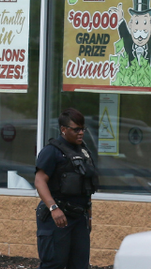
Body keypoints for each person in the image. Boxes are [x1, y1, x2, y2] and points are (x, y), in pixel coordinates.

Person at [34, 108, 99, 269]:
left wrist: (88, 216)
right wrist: (53, 208)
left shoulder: (83, 152)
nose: (81, 133)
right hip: (57, 218)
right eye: (76, 129)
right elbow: (39, 181)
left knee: (79, 265)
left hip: (79, 218)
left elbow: (86, 186)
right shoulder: (52, 151)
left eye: (83, 129)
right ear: (63, 129)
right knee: (54, 264)